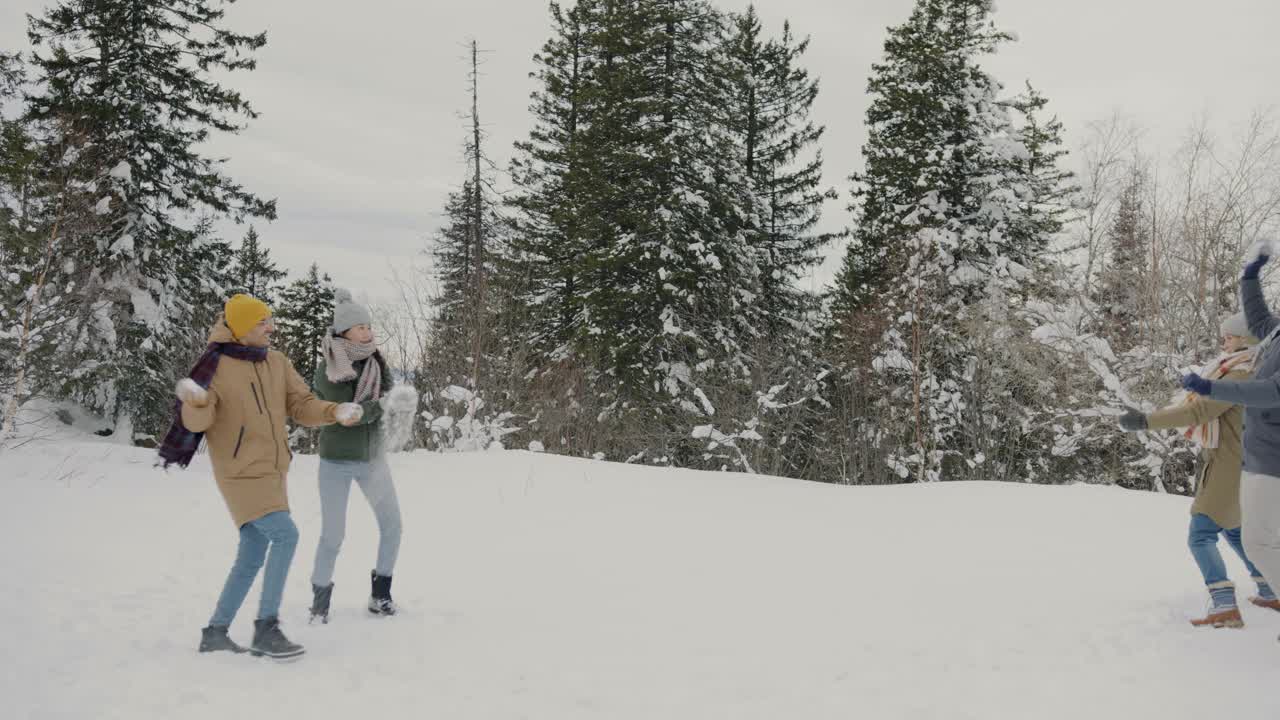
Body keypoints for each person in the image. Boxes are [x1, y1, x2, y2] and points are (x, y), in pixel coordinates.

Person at [158, 294, 363, 659]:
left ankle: (215, 632)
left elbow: (301, 405)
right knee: (286, 535)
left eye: (270, 320)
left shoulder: (276, 362)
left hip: (272, 471)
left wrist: (335, 411)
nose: (270, 328)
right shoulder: (215, 367)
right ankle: (266, 627)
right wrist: (196, 402)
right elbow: (197, 424)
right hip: (239, 472)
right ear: (240, 328)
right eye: (261, 322)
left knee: (253, 552)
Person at [1119, 313, 1277, 627]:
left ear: (1246, 340)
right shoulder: (1254, 370)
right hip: (1240, 463)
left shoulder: (1242, 375)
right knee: (1235, 532)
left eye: (1229, 337)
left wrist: (1146, 421)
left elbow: (1199, 410)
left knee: (1201, 534)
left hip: (1229, 467)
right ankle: (1270, 590)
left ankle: (1223, 606)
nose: (1224, 342)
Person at [1181, 244, 1280, 636]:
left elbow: (1272, 392)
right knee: (1256, 541)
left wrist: (1209, 387)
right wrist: (1250, 275)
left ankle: (1232, 603)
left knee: (1258, 543)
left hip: (1272, 460)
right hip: (1260, 458)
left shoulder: (1246, 365)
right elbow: (1256, 313)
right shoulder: (1275, 333)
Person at [308, 289, 403, 622]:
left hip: (373, 459)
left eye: (368, 325)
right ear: (343, 331)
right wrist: (382, 406)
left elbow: (387, 398)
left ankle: (381, 596)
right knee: (333, 536)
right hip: (336, 461)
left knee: (392, 526)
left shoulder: (376, 360)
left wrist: (394, 404)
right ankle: (319, 604)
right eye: (360, 326)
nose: (367, 331)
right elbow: (349, 414)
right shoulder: (330, 367)